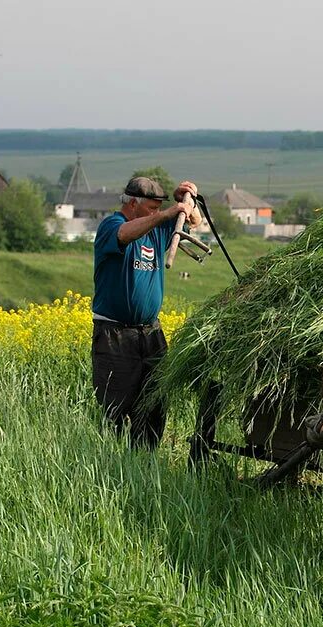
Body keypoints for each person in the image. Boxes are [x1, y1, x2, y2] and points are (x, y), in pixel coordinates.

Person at [91, 176, 200, 449]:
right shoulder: (111, 225)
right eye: (150, 208)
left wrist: (187, 200)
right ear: (131, 203)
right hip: (115, 334)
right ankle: (109, 462)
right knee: (115, 405)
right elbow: (125, 234)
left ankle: (145, 461)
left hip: (150, 334)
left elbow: (194, 221)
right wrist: (166, 213)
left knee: (153, 404)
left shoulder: (157, 229)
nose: (155, 213)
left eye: (156, 208)